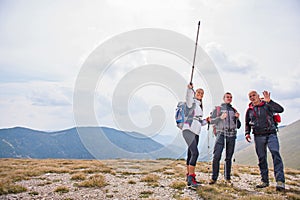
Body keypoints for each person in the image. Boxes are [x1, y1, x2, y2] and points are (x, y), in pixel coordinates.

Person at [245, 90, 285, 191]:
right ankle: (264, 181)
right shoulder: (249, 110)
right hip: (258, 136)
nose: (252, 97)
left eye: (254, 95)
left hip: (271, 133)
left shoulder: (267, 105)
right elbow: (247, 123)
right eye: (250, 96)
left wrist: (270, 101)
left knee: (275, 153)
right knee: (261, 158)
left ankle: (280, 181)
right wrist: (247, 133)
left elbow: (281, 109)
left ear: (258, 96)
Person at [208, 92, 241, 185]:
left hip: (232, 135)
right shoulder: (218, 109)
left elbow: (238, 126)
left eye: (231, 97)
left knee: (228, 158)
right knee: (216, 156)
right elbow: (211, 121)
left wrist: (237, 118)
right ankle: (214, 178)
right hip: (221, 134)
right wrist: (220, 117)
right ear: (223, 98)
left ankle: (227, 178)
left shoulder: (234, 110)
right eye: (227, 97)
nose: (229, 98)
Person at [182, 83, 209, 189]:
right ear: (195, 94)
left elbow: (199, 122)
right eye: (198, 92)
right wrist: (189, 89)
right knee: (195, 153)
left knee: (190, 154)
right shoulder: (191, 102)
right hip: (188, 130)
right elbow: (188, 97)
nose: (200, 94)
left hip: (196, 132)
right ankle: (191, 178)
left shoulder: (199, 106)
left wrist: (206, 121)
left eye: (202, 93)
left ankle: (189, 177)